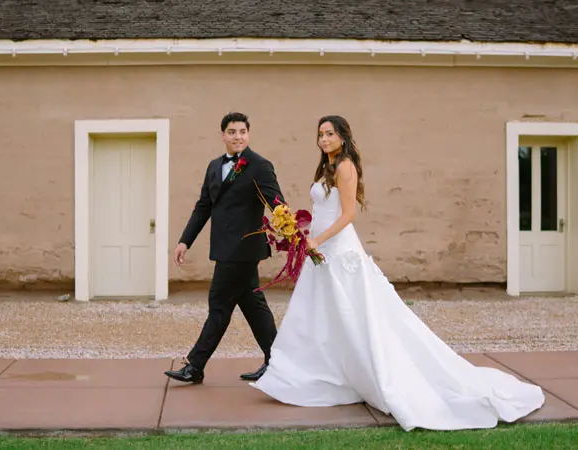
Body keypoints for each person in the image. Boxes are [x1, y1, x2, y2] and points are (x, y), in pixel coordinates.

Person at [250, 115, 545, 431]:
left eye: (329, 133)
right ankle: (312, 375)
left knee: (354, 316)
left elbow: (348, 214)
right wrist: (301, 233)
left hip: (337, 251)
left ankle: (360, 373)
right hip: (319, 250)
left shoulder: (345, 166)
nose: (323, 139)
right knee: (319, 316)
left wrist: (318, 239)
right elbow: (326, 210)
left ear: (343, 137)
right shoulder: (327, 167)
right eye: (320, 134)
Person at [165, 112, 284, 384]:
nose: (237, 136)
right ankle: (277, 361)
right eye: (232, 132)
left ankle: (195, 364)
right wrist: (185, 240)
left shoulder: (260, 166)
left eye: (242, 131)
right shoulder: (213, 166)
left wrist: (286, 225)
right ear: (223, 135)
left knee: (219, 305)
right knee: (253, 306)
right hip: (223, 248)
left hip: (244, 250)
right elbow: (203, 207)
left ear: (248, 134)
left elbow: (277, 203)